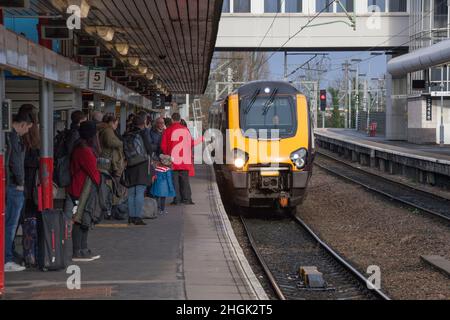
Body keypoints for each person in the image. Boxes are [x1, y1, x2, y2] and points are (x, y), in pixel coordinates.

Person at [68, 121, 101, 262]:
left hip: (79, 188)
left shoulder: (79, 146)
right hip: (81, 189)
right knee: (80, 219)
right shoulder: (84, 150)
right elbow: (94, 172)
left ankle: (83, 249)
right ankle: (78, 251)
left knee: (82, 218)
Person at [4, 111, 34, 272]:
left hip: (9, 184)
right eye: (28, 127)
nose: (27, 131)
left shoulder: (6, 136)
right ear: (22, 125)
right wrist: (21, 182)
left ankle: (7, 255)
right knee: (10, 224)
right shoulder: (13, 138)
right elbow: (16, 162)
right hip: (14, 186)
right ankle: (6, 259)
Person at [123, 114, 152, 226]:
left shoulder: (126, 133)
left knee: (131, 193)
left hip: (130, 165)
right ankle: (137, 217)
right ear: (143, 123)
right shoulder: (143, 133)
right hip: (142, 165)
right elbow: (149, 149)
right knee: (139, 191)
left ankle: (130, 217)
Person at [161, 113, 195, 205]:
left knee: (175, 181)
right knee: (185, 180)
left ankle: (177, 199)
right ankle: (187, 199)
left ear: (172, 120)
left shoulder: (167, 131)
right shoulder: (186, 130)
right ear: (180, 120)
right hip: (184, 160)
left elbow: (163, 146)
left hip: (173, 161)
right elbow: (191, 143)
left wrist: (168, 154)